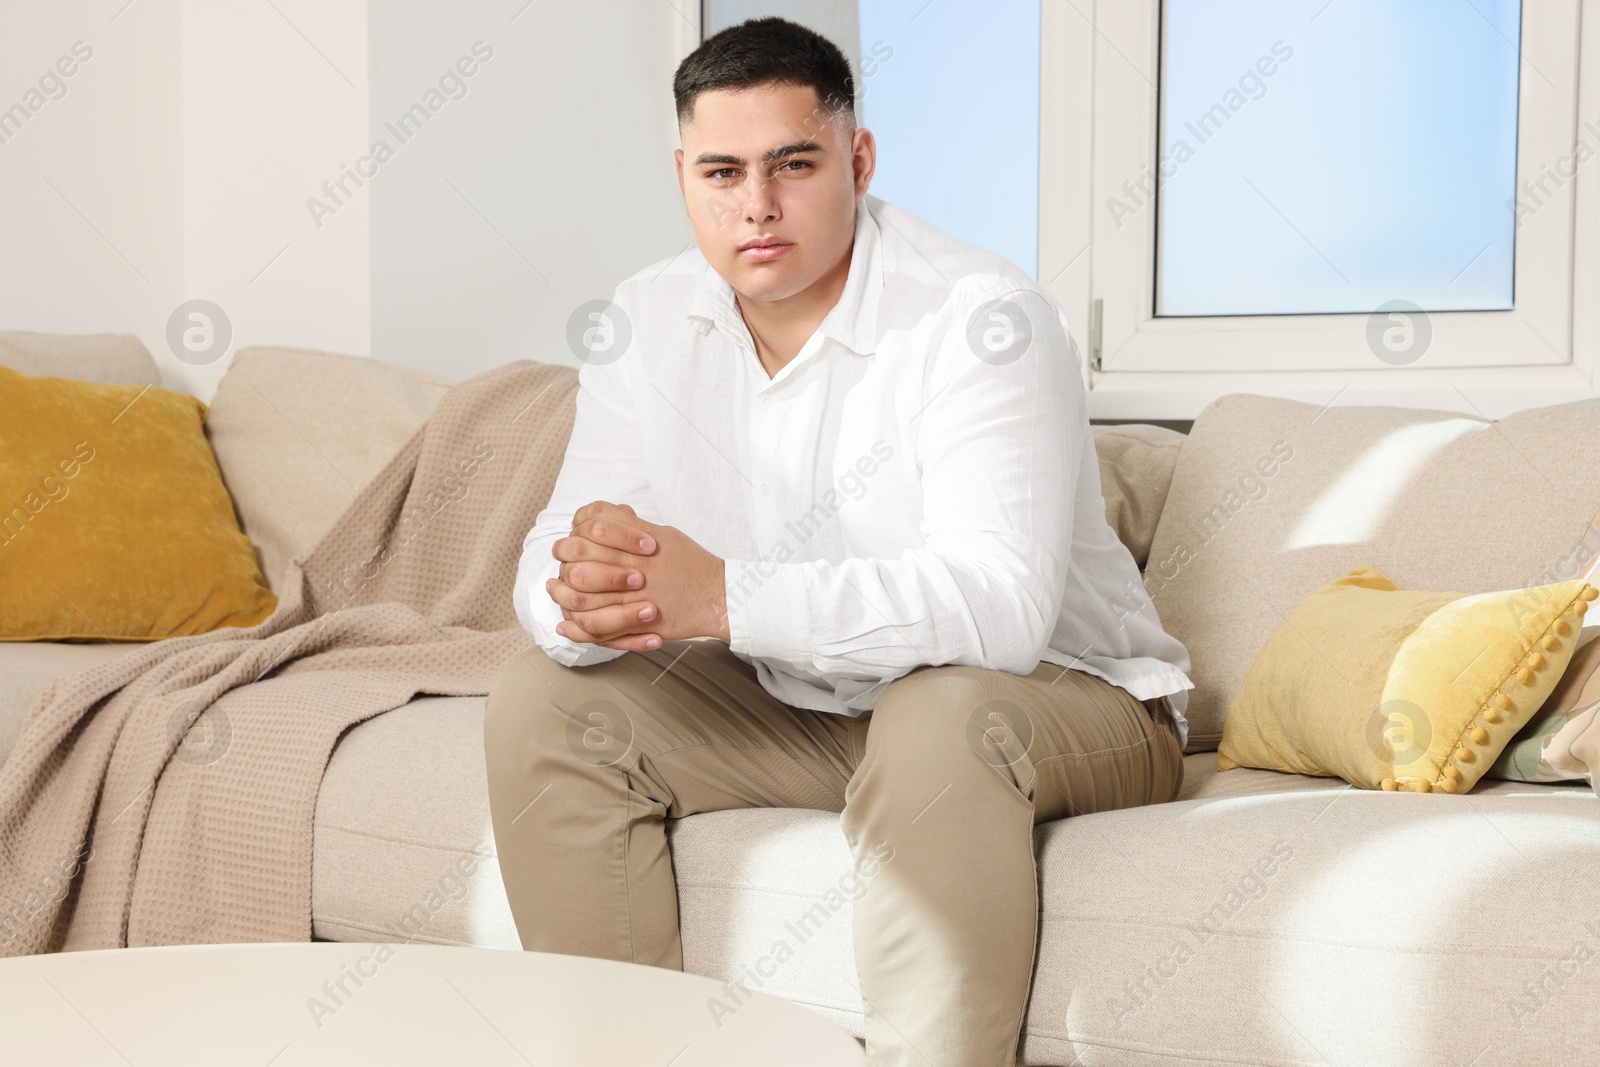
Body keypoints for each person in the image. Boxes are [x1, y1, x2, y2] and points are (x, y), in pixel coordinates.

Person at [483, 16, 1194, 1066]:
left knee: (934, 711)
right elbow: (561, 542)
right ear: (684, 175)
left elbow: (998, 608)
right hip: (808, 705)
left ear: (857, 161)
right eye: (721, 172)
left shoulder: (977, 316)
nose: (756, 205)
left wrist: (722, 596)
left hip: (1064, 700)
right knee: (546, 699)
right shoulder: (644, 317)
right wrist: (581, 596)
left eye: (793, 164)